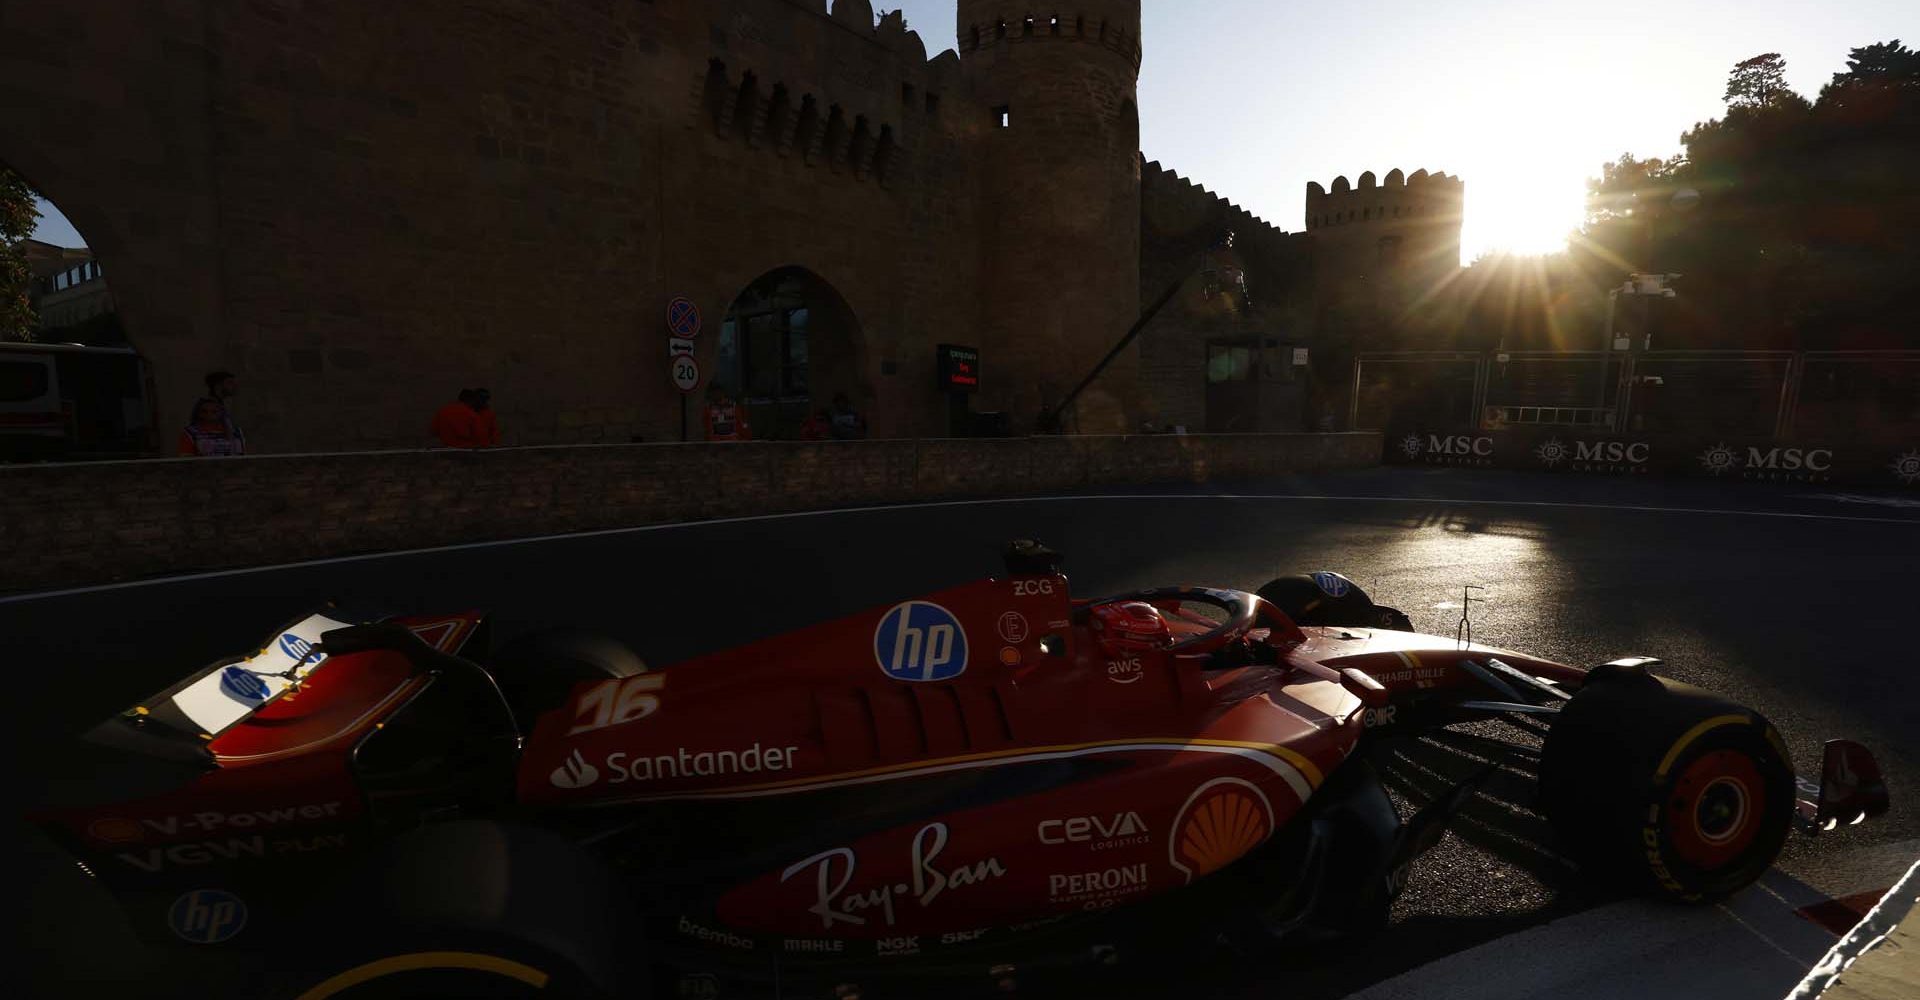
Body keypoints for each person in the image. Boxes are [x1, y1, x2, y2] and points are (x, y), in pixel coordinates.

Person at [432, 388, 502, 448]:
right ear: (471, 400)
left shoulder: (442, 411)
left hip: (446, 449)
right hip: (467, 451)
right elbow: (482, 438)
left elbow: (433, 432)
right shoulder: (472, 415)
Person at [178, 397, 245, 456]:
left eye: (214, 411)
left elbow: (242, 456)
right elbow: (187, 460)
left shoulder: (236, 432)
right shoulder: (190, 433)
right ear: (198, 413)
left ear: (221, 413)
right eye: (204, 411)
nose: (209, 415)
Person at [202, 370, 245, 450]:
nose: (234, 386)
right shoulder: (207, 407)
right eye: (229, 383)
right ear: (218, 385)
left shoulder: (221, 406)